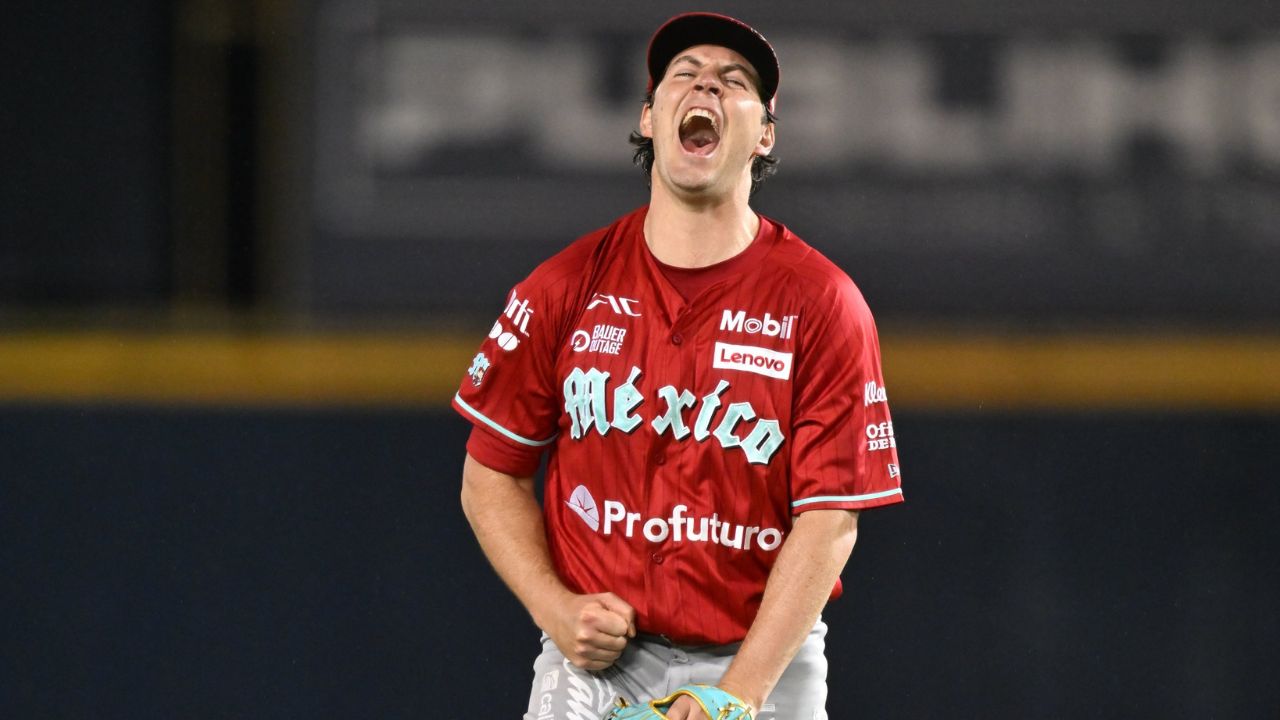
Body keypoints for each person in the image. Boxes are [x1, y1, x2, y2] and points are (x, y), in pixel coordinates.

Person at [453, 12, 903, 720]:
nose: (707, 86)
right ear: (649, 117)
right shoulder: (563, 287)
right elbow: (490, 473)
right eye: (684, 74)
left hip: (762, 658)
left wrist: (736, 696)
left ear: (765, 134)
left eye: (735, 82)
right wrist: (554, 605)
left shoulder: (823, 304)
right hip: (600, 665)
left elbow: (829, 522)